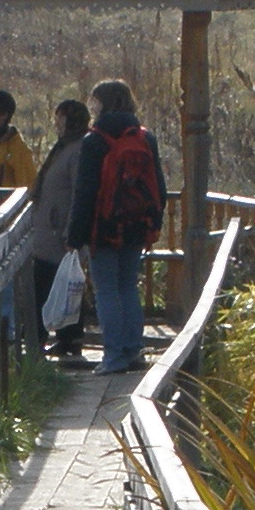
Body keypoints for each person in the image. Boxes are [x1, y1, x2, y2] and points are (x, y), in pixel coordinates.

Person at [66, 77, 166, 375]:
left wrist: (75, 236)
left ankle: (114, 357)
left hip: (104, 228)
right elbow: (158, 186)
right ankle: (134, 352)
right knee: (127, 287)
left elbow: (85, 193)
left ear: (101, 104)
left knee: (107, 291)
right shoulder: (145, 137)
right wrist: (154, 223)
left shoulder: (95, 140)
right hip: (137, 226)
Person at [29, 96, 90, 360]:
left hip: (60, 233)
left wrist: (72, 231)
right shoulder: (62, 147)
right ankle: (44, 337)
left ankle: (68, 339)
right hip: (47, 233)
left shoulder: (78, 149)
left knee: (64, 287)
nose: (57, 122)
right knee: (45, 284)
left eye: (61, 117)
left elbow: (80, 190)